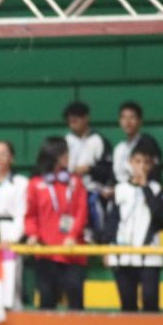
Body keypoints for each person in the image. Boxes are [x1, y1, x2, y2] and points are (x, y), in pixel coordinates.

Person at [26, 136, 88, 310]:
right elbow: (30, 215)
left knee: (76, 302)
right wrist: (33, 235)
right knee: (46, 301)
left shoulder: (75, 182)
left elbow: (81, 212)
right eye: (64, 152)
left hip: (72, 251)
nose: (68, 156)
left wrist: (73, 235)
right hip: (46, 253)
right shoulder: (35, 184)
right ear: (52, 155)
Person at [104, 138, 163, 312]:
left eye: (146, 162)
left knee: (151, 301)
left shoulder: (156, 189)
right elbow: (112, 221)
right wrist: (107, 249)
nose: (141, 167)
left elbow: (158, 213)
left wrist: (145, 186)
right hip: (123, 254)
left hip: (149, 255)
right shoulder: (120, 189)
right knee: (127, 304)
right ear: (130, 162)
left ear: (152, 165)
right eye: (137, 161)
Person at [63, 101, 113, 242]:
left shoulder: (98, 140)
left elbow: (107, 170)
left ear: (86, 118)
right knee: (65, 212)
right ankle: (66, 235)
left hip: (92, 189)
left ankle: (99, 239)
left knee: (95, 206)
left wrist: (89, 169)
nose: (73, 121)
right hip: (68, 189)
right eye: (70, 118)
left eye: (77, 117)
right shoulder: (65, 141)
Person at [112, 101, 163, 185]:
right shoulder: (119, 148)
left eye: (132, 117)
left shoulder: (148, 143)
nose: (127, 122)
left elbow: (154, 171)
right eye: (124, 118)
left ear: (140, 121)